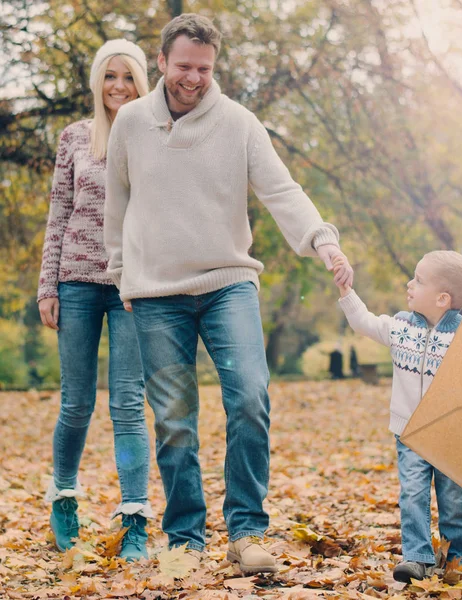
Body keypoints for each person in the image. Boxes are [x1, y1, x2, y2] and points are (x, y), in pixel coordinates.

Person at [103, 14, 353, 573]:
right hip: (155, 293)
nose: (193, 78)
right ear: (161, 61)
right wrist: (121, 273)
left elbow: (281, 188)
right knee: (173, 418)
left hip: (227, 283)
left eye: (205, 69)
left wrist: (323, 241)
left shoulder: (239, 123)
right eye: (183, 66)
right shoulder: (132, 123)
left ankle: (245, 533)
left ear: (215, 67)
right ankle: (186, 540)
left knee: (248, 398)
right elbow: (115, 204)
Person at [37, 39, 152, 561]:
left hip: (132, 286)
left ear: (142, 82)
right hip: (77, 283)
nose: (119, 87)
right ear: (96, 82)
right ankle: (64, 497)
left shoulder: (156, 135)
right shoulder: (74, 138)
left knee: (128, 404)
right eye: (110, 77)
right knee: (77, 401)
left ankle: (135, 519)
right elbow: (59, 214)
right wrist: (48, 286)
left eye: (128, 77)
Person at [333, 250, 462, 582]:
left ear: (443, 298)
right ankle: (417, 557)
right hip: (410, 433)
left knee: (455, 499)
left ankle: (456, 557)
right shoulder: (401, 326)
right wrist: (347, 291)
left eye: (419, 280)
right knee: (412, 493)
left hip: (454, 436)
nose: (409, 283)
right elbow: (364, 322)